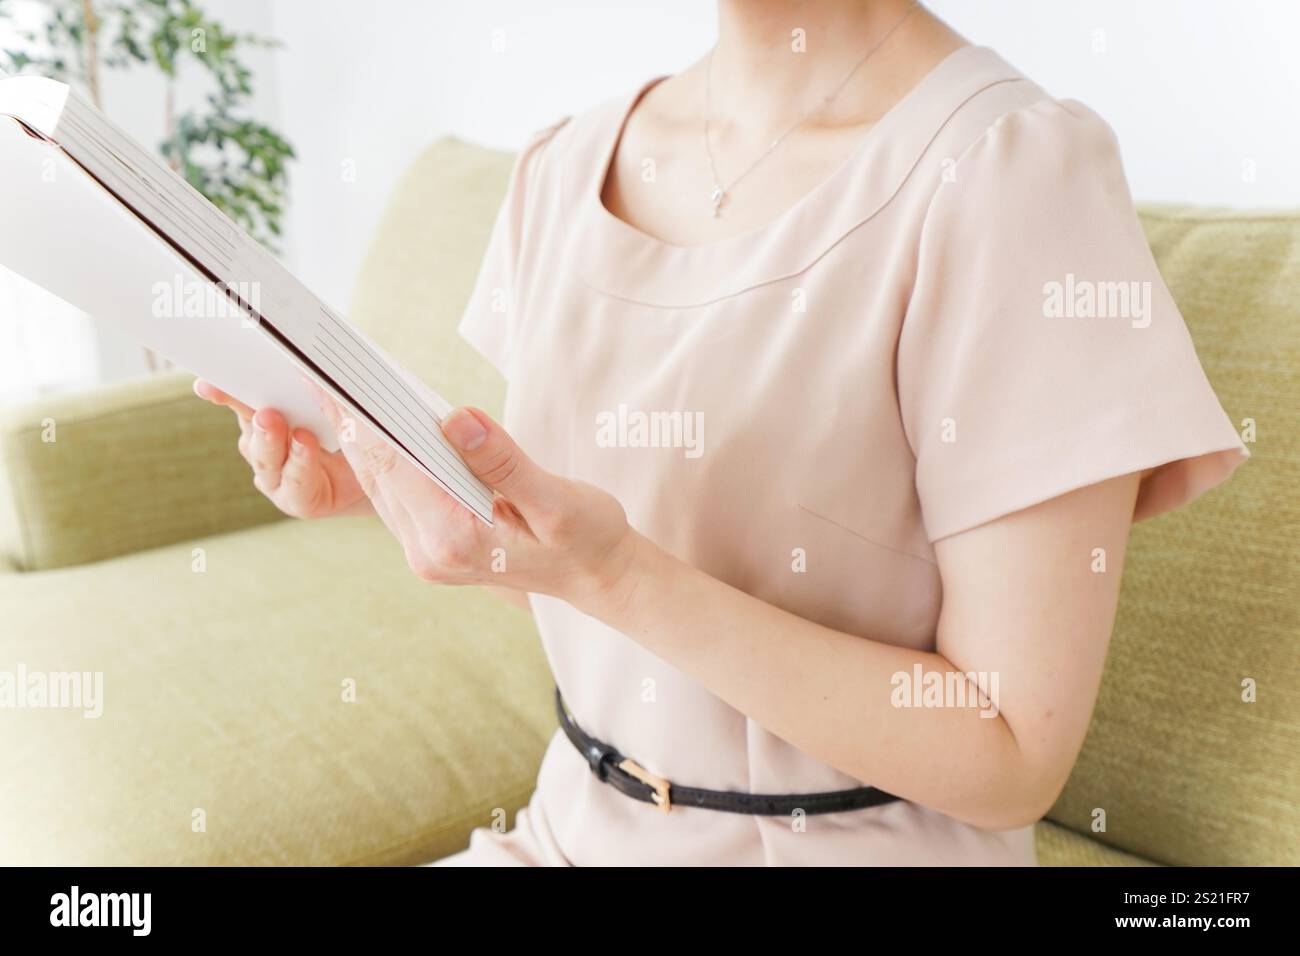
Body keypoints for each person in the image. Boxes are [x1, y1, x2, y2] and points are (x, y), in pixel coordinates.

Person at [196, 0, 1247, 866]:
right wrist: (391, 487)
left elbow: (1012, 753)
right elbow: (563, 566)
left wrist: (619, 573)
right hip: (565, 831)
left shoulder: (1010, 174)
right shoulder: (565, 165)